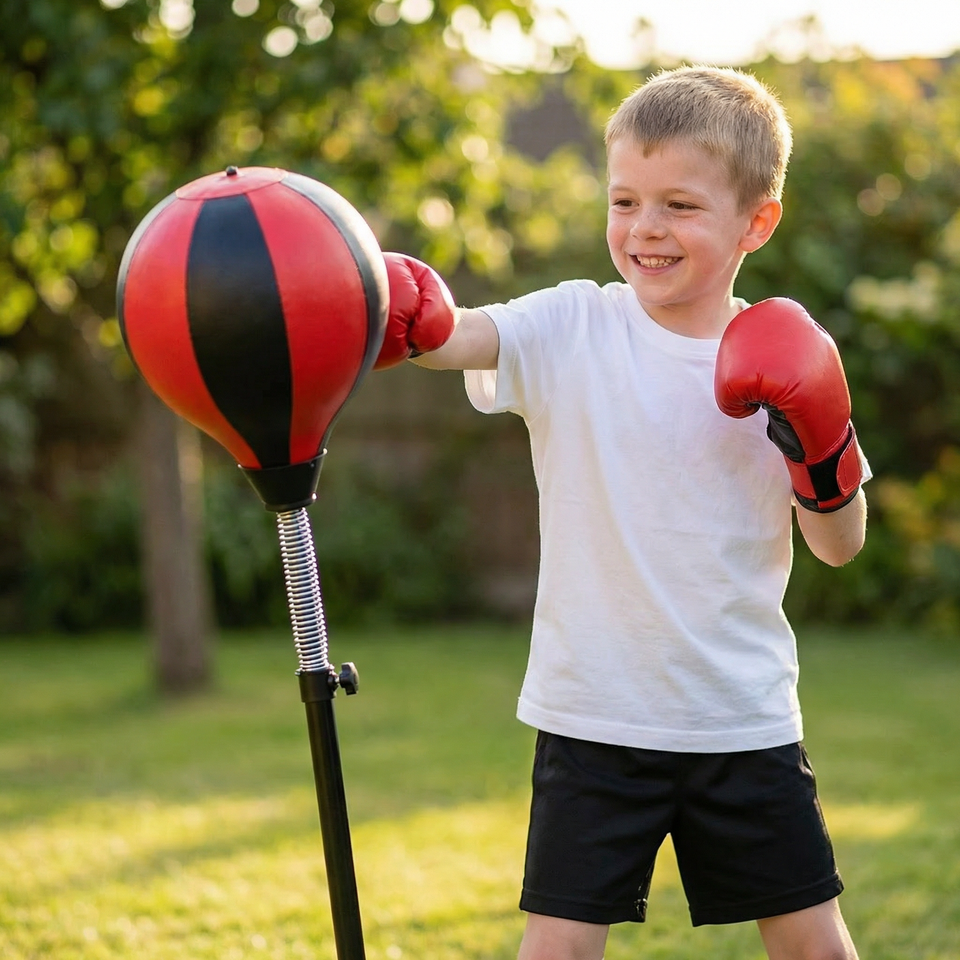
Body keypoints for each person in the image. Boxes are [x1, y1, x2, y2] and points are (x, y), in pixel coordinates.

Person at [373, 65, 867, 960]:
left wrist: (820, 444)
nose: (645, 228)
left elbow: (840, 545)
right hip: (593, 716)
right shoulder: (574, 326)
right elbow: (461, 337)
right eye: (625, 201)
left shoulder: (790, 358)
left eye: (680, 205)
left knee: (814, 947)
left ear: (756, 222)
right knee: (557, 948)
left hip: (740, 716)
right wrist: (404, 307)